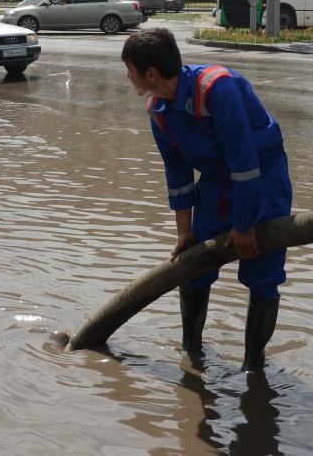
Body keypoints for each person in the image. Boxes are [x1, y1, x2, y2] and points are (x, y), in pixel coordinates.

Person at [121, 28, 292, 372]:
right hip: (216, 185)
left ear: (150, 73)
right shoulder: (159, 109)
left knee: (261, 271)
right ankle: (191, 352)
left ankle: (253, 366)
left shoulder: (217, 88)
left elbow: (244, 163)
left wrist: (244, 226)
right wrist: (184, 233)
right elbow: (179, 174)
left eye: (129, 69)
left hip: (262, 179)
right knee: (193, 266)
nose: (127, 77)